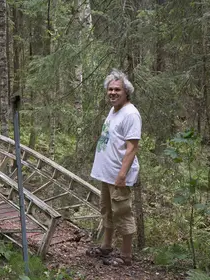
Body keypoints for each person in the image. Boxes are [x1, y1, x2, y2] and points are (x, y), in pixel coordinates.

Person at [89, 69, 141, 266]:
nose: (113, 93)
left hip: (119, 175)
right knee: (107, 210)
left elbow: (132, 147)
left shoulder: (131, 114)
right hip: (106, 173)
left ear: (126, 91)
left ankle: (126, 256)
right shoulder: (114, 110)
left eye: (117, 89)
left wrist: (122, 175)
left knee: (122, 213)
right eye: (110, 89)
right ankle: (106, 246)